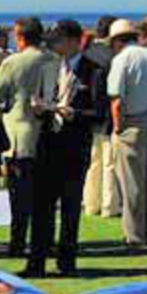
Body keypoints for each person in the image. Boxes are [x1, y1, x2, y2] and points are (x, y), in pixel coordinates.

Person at [31, 20, 107, 277]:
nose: (55, 45)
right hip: (48, 145)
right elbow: (41, 99)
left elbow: (99, 113)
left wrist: (76, 114)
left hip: (75, 148)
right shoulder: (49, 67)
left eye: (59, 40)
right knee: (42, 207)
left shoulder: (94, 71)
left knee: (70, 208)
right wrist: (39, 108)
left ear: (75, 41)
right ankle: (37, 262)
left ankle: (67, 263)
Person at [0, 17, 59, 264]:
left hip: (18, 136)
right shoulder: (53, 59)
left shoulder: (12, 62)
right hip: (47, 133)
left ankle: (18, 242)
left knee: (19, 196)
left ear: (20, 37)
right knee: (46, 195)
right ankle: (45, 240)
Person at [108, 18, 147, 249]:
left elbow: (116, 99)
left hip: (131, 121)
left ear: (116, 41)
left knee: (132, 184)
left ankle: (134, 236)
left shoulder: (121, 59)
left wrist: (117, 126)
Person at [83, 16, 120, 218]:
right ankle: (109, 205)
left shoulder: (86, 53)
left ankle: (90, 203)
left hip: (87, 114)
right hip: (107, 114)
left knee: (92, 163)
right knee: (109, 162)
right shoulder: (112, 57)